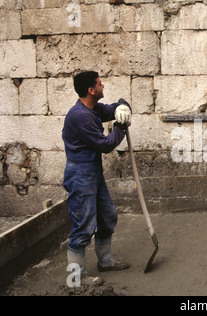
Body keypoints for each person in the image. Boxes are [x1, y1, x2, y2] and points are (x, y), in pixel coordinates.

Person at [62, 71, 132, 278]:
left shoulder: (93, 108)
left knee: (107, 216)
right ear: (91, 90)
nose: (103, 87)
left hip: (93, 173)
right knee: (83, 226)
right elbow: (105, 145)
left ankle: (106, 261)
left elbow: (115, 107)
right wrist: (120, 125)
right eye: (100, 85)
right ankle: (76, 279)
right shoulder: (80, 117)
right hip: (80, 175)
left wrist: (123, 106)